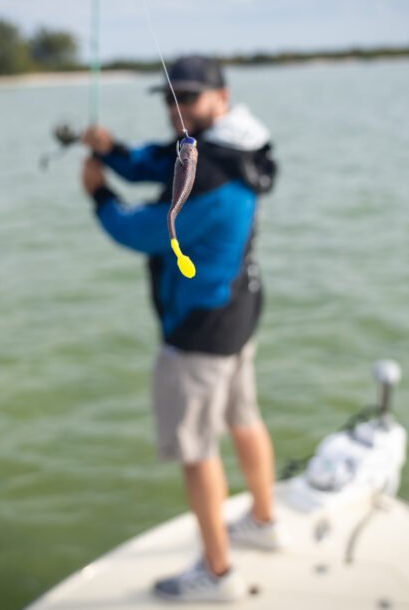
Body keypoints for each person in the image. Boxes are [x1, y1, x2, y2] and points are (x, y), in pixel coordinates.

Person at [79, 56, 280, 602]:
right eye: (171, 98)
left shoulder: (211, 174)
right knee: (244, 417)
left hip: (199, 328)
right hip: (240, 308)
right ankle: (264, 520)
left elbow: (144, 230)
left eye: (189, 99)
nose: (177, 108)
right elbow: (158, 163)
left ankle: (218, 575)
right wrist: (112, 150)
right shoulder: (236, 144)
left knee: (197, 451)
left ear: (222, 96)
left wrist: (98, 192)